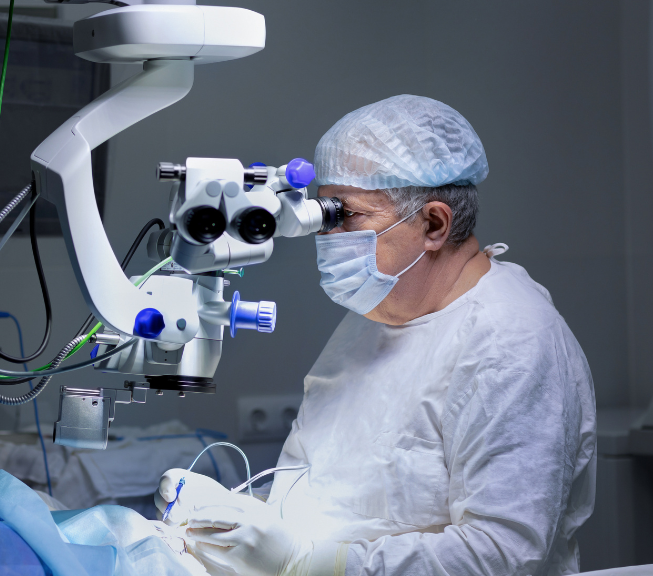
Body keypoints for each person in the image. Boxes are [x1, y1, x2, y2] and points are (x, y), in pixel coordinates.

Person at [155, 95, 597, 576]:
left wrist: (308, 564)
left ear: (433, 224)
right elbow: (340, 498)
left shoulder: (510, 341)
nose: (326, 235)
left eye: (346, 216)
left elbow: (501, 554)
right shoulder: (382, 311)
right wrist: (238, 518)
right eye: (325, 213)